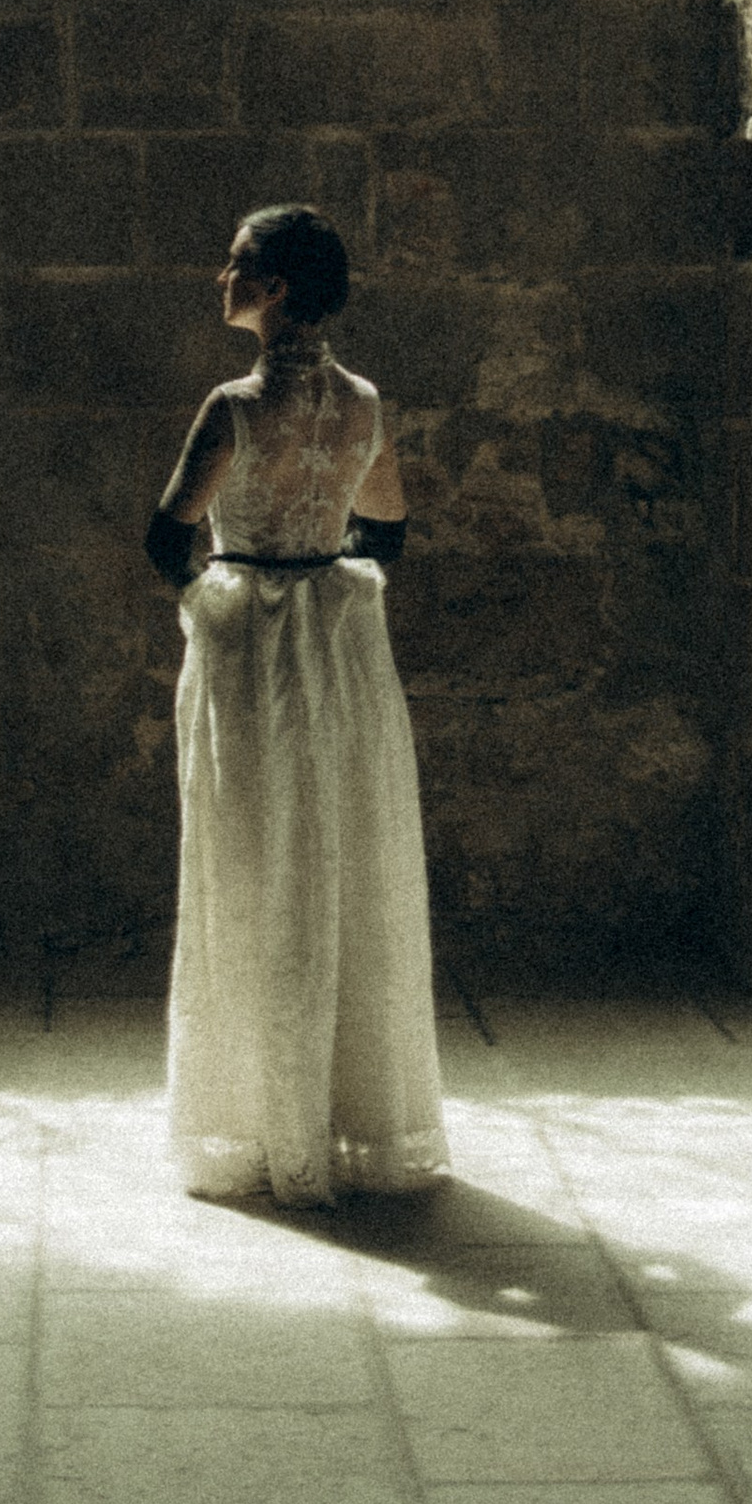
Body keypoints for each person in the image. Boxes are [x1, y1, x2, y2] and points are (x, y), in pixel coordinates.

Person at [144, 203, 450, 1206]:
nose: (219, 276)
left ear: (272, 290)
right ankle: (346, 1112)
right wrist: (324, 571)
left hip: (248, 651)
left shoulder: (231, 405)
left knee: (247, 861)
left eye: (234, 264)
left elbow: (165, 534)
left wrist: (212, 594)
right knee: (340, 856)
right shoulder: (363, 403)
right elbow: (389, 531)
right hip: (336, 644)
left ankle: (260, 1119)